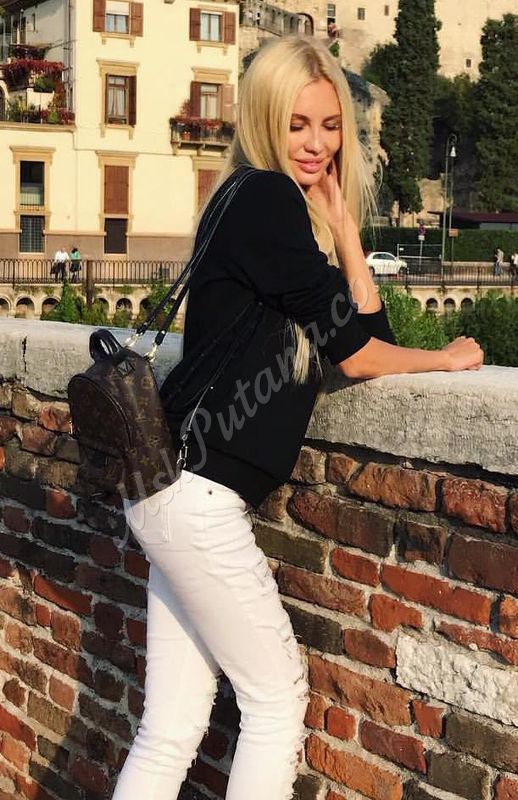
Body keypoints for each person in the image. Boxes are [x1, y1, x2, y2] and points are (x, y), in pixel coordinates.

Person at [112, 35, 483, 800]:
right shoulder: (267, 199)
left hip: (166, 487)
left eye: (331, 125)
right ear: (264, 119)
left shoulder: (241, 198)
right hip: (199, 497)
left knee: (170, 728)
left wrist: (346, 233)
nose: (317, 144)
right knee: (276, 702)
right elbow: (361, 353)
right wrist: (443, 358)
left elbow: (361, 336)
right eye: (298, 125)